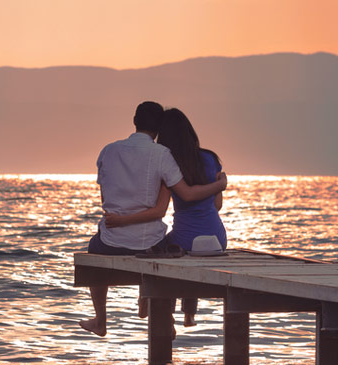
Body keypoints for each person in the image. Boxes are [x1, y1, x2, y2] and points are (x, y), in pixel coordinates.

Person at [79, 102, 227, 337]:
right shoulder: (164, 156)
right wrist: (219, 184)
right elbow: (180, 200)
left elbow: (105, 199)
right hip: (151, 244)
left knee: (93, 250)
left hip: (112, 241)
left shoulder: (108, 151)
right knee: (168, 250)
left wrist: (121, 220)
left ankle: (101, 319)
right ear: (157, 128)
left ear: (134, 120)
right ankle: (165, 314)